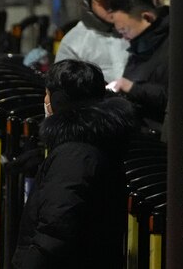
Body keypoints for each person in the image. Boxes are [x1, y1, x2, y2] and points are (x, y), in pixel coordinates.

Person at [12, 60, 137, 268]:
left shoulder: (74, 155)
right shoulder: (90, 144)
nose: (44, 101)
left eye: (47, 94)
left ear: (58, 100)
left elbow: (55, 231)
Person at [107, 0, 170, 134]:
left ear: (146, 17)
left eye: (125, 30)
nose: (124, 38)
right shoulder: (140, 46)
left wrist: (132, 88)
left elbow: (176, 97)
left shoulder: (173, 46)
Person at [55, 0, 129, 83]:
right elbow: (62, 86)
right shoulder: (73, 43)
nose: (111, 3)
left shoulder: (134, 31)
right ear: (86, 3)